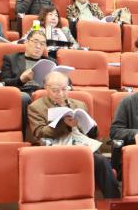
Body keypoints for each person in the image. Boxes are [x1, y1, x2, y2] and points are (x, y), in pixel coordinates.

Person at [26, 71, 120, 199]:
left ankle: (114, 202)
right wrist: (64, 125)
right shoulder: (36, 107)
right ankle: (114, 200)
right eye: (55, 90)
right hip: (57, 148)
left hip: (82, 144)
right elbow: (39, 132)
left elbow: (92, 134)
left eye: (65, 89)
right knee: (101, 161)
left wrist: (90, 127)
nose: (61, 94)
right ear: (46, 88)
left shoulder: (79, 104)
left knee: (102, 161)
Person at [0, 29, 51, 111]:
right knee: (24, 97)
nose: (38, 46)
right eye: (35, 42)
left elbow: (65, 80)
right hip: (22, 91)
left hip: (42, 92)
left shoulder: (51, 62)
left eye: (42, 44)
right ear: (26, 42)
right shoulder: (11, 59)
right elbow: (4, 83)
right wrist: (21, 80)